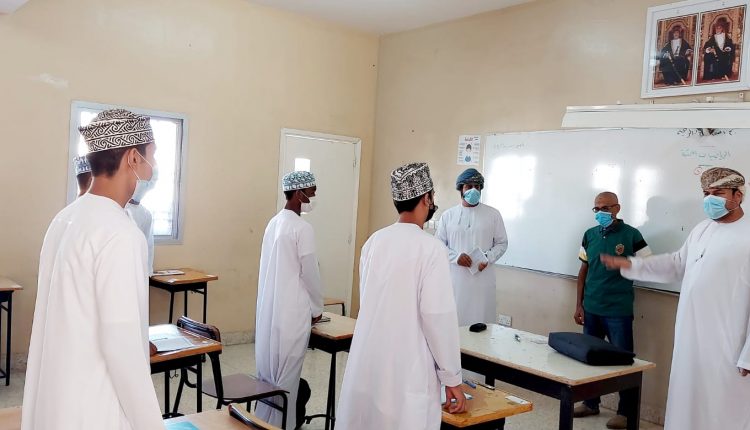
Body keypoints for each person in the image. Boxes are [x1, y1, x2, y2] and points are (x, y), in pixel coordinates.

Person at [22, 109, 163, 429]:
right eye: (151, 155)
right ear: (133, 157)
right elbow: (123, 348)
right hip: (97, 409)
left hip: (56, 402)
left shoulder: (65, 219)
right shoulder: (121, 233)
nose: (153, 166)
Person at [601, 167, 750, 430]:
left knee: (724, 408)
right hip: (690, 337)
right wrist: (632, 265)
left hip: (729, 343)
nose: (709, 199)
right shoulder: (702, 230)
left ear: (738, 195)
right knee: (687, 401)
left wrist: (748, 355)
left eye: (718, 193)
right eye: (706, 193)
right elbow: (676, 265)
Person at [336, 162, 466, 429]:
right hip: (409, 365)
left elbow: (371, 301)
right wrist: (452, 378)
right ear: (427, 199)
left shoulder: (374, 242)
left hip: (369, 360)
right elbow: (437, 318)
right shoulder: (431, 249)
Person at [572, 192, 651, 429]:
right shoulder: (589, 234)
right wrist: (579, 304)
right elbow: (583, 270)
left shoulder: (632, 234)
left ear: (617, 208)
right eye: (597, 209)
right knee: (589, 358)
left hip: (618, 309)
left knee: (623, 361)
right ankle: (590, 403)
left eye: (605, 208)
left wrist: (625, 264)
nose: (601, 213)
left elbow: (649, 264)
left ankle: (625, 412)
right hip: (591, 308)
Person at [255, 171, 324, 429]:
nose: (313, 198)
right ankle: (282, 425)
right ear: (298, 193)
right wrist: (317, 308)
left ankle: (265, 420)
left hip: (270, 310)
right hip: (293, 313)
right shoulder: (302, 228)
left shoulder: (273, 223)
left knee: (269, 373)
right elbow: (310, 273)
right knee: (287, 377)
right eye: (312, 192)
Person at [435, 168, 508, 326]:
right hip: (456, 282)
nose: (473, 190)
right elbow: (438, 245)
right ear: (461, 189)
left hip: (483, 281)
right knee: (455, 323)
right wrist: (456, 258)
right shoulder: (448, 216)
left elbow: (502, 243)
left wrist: (487, 258)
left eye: (477, 186)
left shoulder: (493, 214)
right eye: (469, 186)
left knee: (482, 325)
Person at [125, 166, 158, 274]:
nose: (146, 185)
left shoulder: (146, 214)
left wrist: (147, 273)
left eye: (149, 183)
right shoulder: (117, 208)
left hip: (137, 272)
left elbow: (148, 247)